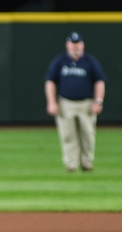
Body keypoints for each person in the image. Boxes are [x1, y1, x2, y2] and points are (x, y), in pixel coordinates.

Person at [44, 32, 106, 172]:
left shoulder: (90, 61)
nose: (75, 46)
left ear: (82, 45)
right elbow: (50, 82)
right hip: (66, 103)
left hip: (86, 103)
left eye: (77, 44)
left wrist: (98, 101)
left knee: (88, 135)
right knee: (68, 135)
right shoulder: (60, 61)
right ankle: (71, 164)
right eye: (72, 43)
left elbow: (99, 82)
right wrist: (52, 102)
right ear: (67, 45)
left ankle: (87, 163)